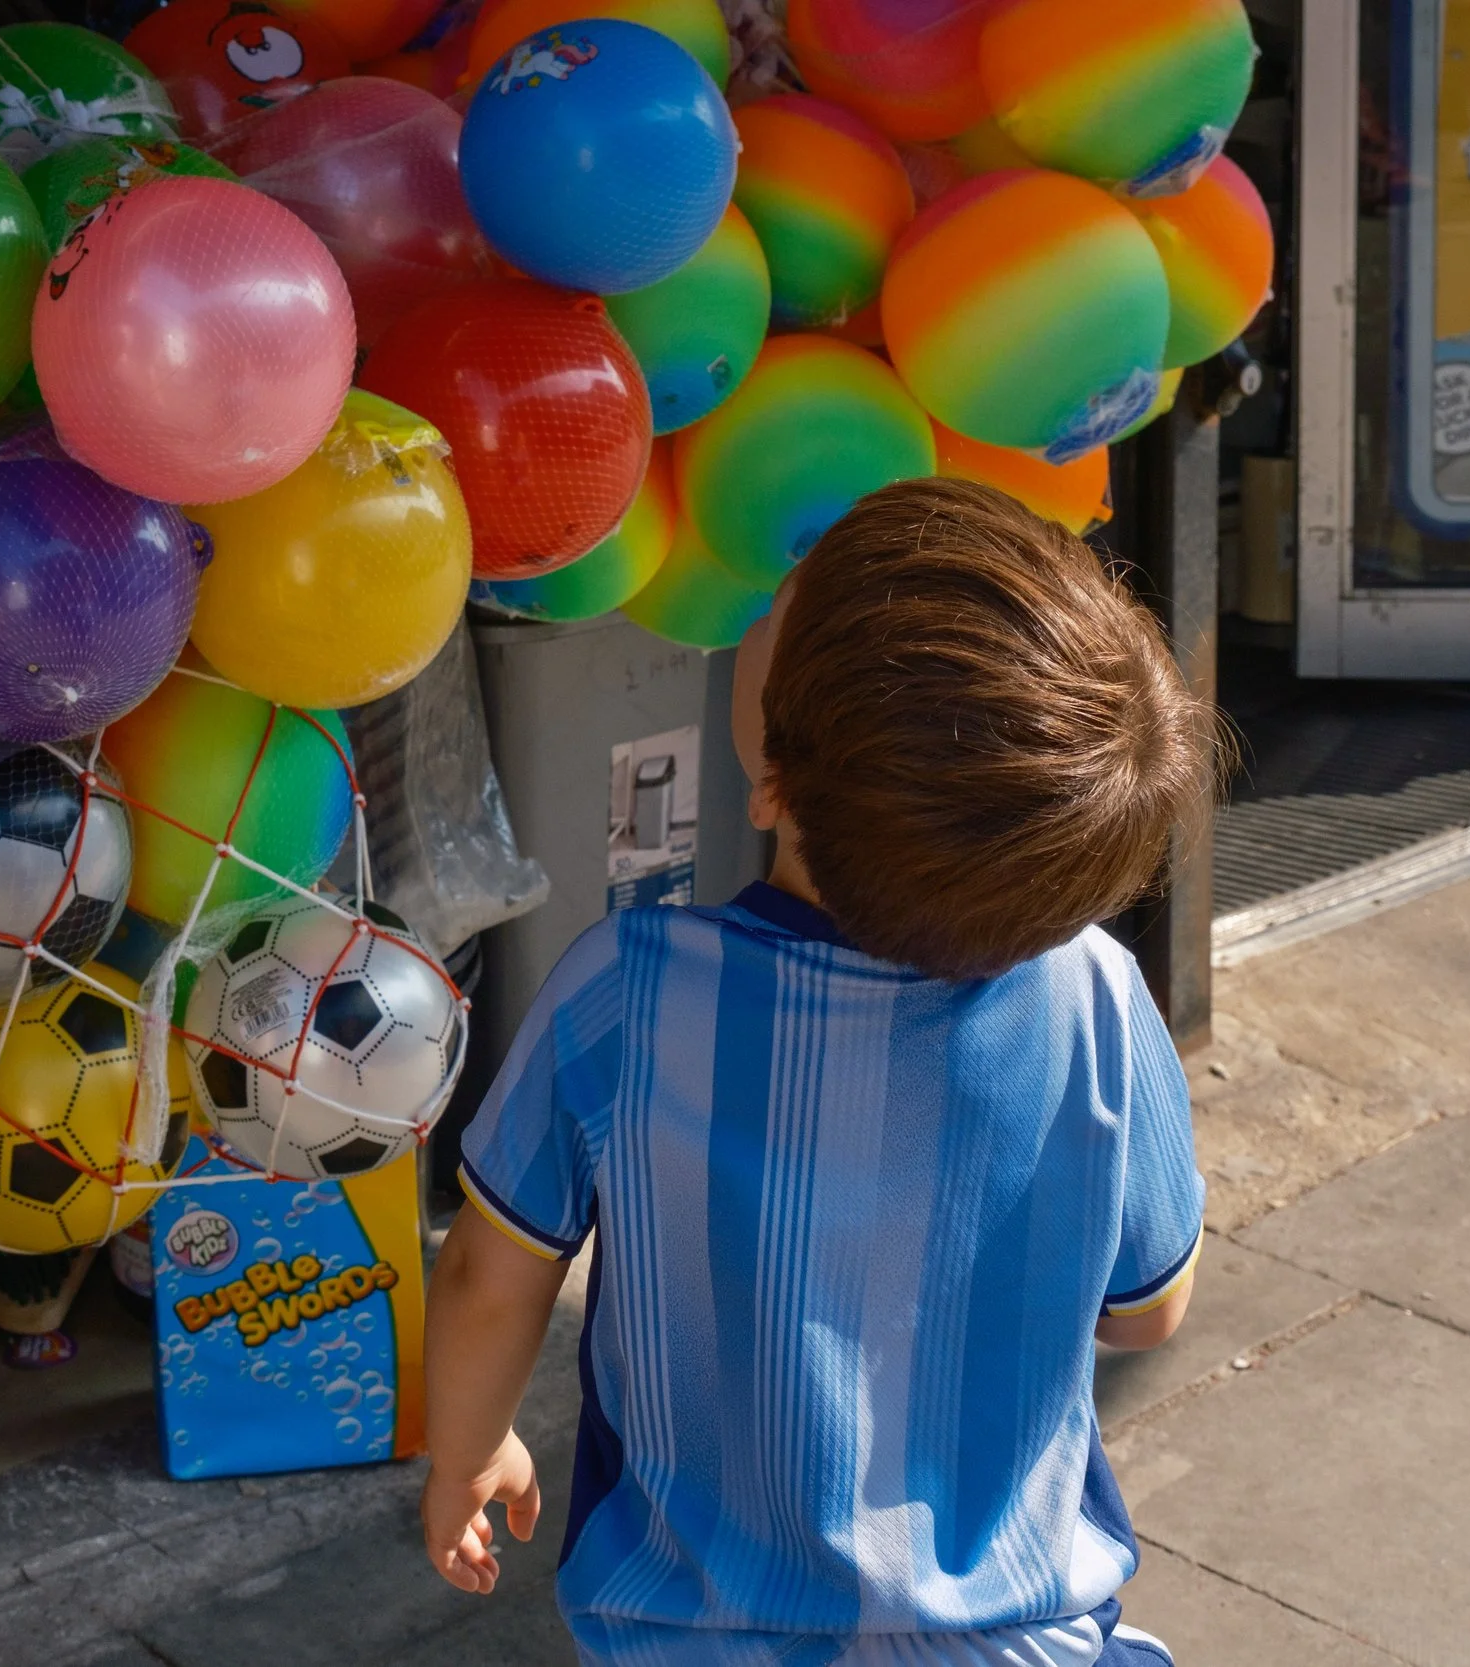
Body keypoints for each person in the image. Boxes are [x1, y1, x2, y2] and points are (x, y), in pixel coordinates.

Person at [421, 478, 1218, 1666]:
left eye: (782, 604)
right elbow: (1148, 1308)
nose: (761, 601)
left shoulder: (628, 994)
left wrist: (467, 1447)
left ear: (775, 783)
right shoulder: (1097, 994)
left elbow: (490, 1270)